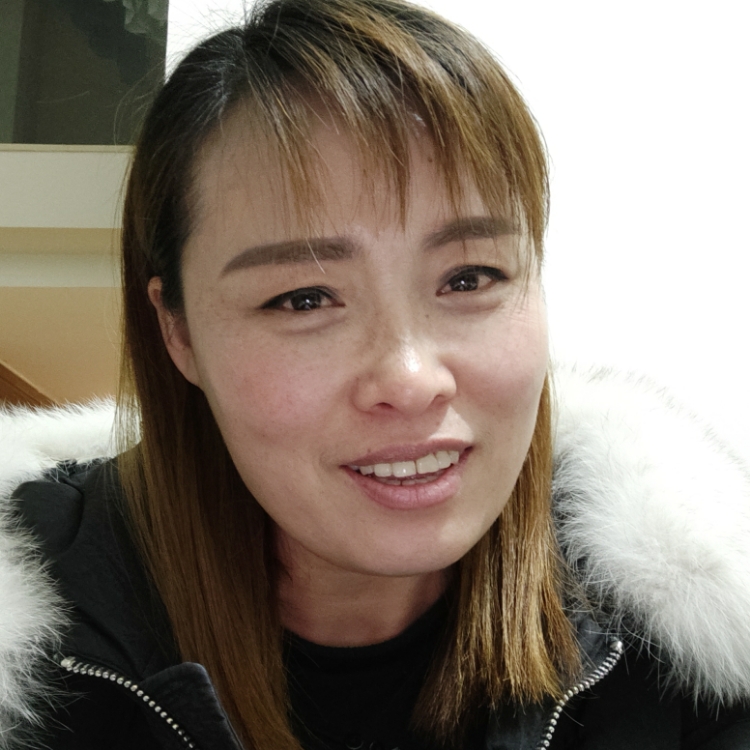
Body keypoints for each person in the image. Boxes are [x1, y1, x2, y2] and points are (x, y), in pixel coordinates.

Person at [1, 0, 749, 747]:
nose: (411, 379)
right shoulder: (33, 646)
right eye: (304, 298)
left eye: (469, 278)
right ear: (179, 332)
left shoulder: (691, 650)